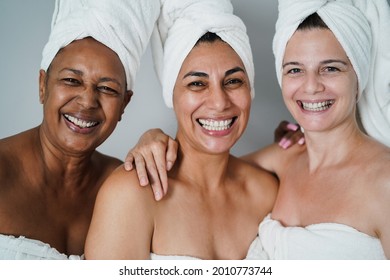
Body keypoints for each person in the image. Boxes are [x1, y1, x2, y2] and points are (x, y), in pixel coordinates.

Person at [126, 0, 390, 259]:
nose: (311, 87)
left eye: (330, 68)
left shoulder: (384, 181)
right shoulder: (283, 161)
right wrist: (154, 140)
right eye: (295, 69)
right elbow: (205, 171)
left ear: (359, 74)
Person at [85, 0, 278, 260]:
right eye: (197, 83)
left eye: (233, 81)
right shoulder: (131, 195)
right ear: (172, 94)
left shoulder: (267, 192)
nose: (220, 102)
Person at [0, 0, 160, 259]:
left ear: (124, 104)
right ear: (43, 86)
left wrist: (159, 140)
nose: (87, 101)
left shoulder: (125, 187)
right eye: (72, 80)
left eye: (107, 88)